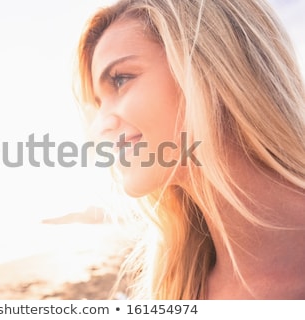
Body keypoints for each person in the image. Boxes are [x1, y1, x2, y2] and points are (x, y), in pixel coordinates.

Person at [75, 0, 305, 299]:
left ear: (211, 65)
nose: (98, 128)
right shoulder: (177, 287)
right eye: (98, 103)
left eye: (120, 79)